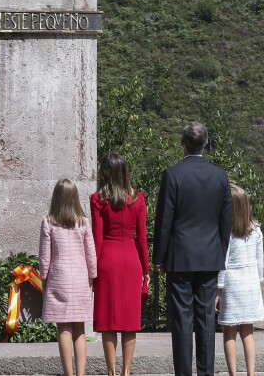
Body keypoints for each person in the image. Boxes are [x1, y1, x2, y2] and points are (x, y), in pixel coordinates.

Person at [153, 121, 233, 376]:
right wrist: (219, 253)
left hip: (180, 258)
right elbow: (225, 221)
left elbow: (164, 220)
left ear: (182, 144)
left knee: (182, 322)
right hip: (209, 257)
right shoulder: (220, 176)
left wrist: (159, 258)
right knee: (206, 320)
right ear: (206, 144)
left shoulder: (173, 174)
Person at [91, 152, 150, 376]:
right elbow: (142, 238)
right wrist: (146, 269)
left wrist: (92, 269)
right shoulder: (138, 199)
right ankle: (126, 371)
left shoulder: (98, 199)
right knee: (130, 321)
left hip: (107, 259)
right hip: (131, 259)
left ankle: (111, 372)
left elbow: (97, 238)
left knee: (108, 322)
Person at [39, 178, 97, 376]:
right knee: (79, 328)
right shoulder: (83, 222)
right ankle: (81, 374)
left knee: (63, 327)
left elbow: (45, 258)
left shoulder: (48, 222)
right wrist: (93, 277)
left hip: (59, 279)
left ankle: (68, 374)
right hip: (81, 279)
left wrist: (43, 279)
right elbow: (91, 255)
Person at [215, 185, 264, 376]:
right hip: (251, 284)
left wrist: (218, 290)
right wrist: (258, 282)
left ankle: (233, 374)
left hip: (233, 284)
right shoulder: (256, 231)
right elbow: (259, 262)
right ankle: (251, 373)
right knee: (248, 332)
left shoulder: (227, 234)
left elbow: (223, 264)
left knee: (229, 332)